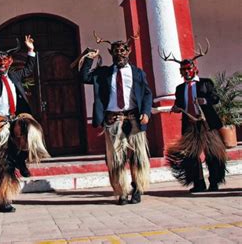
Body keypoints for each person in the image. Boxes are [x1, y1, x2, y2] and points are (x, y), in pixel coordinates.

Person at [0, 23, 49, 213]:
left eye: (5, 61)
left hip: (15, 118)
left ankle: (22, 161)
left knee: (30, 134)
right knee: (3, 161)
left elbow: (28, 70)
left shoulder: (15, 76)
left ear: (9, 62)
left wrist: (31, 51)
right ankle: (4, 198)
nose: (2, 64)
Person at [78, 31, 152, 205]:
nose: (120, 54)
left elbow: (147, 94)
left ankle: (137, 188)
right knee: (116, 158)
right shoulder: (103, 74)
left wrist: (147, 113)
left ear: (129, 52)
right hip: (113, 120)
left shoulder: (138, 73)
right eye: (116, 51)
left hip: (134, 118)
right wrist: (89, 58)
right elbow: (84, 77)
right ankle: (121, 191)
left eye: (123, 51)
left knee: (137, 156)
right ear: (111, 53)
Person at [160, 41, 227, 192]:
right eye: (183, 70)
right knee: (191, 156)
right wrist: (176, 108)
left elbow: (215, 98)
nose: (186, 72)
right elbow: (179, 104)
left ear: (195, 69)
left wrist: (206, 100)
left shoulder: (205, 83)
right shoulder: (180, 88)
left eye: (188, 68)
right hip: (190, 125)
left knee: (213, 154)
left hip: (207, 124)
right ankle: (198, 183)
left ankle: (214, 182)